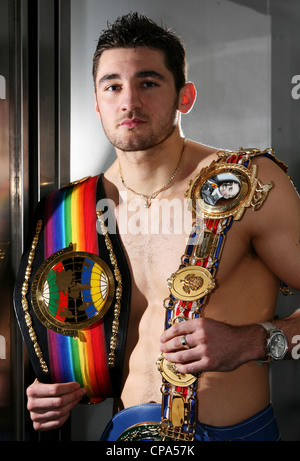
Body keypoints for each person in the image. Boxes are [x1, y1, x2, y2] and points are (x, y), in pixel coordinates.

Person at [20, 13, 300, 441]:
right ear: (97, 102)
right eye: (112, 86)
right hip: (125, 437)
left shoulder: (250, 185)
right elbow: (71, 337)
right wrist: (52, 388)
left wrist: (253, 341)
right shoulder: (71, 210)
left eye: (148, 83)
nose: (128, 101)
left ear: (184, 97)